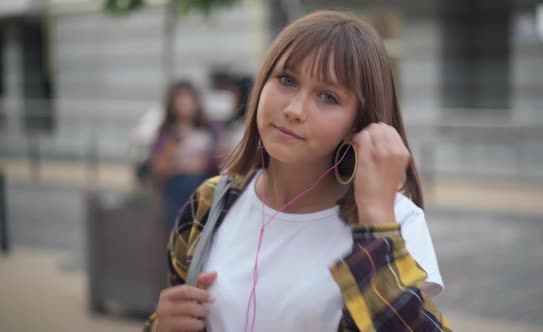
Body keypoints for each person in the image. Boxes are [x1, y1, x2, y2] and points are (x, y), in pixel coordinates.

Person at [145, 11, 452, 332]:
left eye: (328, 97)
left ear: (358, 124)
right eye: (287, 80)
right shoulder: (210, 203)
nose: (294, 110)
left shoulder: (398, 222)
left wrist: (376, 220)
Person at [149, 80, 217, 228]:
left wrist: (202, 163)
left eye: (188, 99)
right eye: (179, 100)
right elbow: (158, 167)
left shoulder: (210, 128)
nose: (184, 104)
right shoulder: (166, 132)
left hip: (205, 187)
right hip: (175, 190)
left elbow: (222, 158)